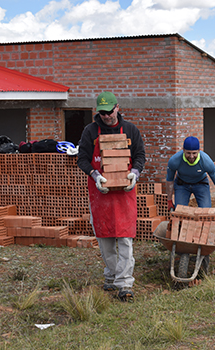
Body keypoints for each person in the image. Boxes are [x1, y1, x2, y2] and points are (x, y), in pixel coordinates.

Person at [77, 91, 145, 302]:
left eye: (109, 111)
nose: (106, 116)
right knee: (105, 237)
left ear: (118, 108)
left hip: (124, 194)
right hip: (101, 194)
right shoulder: (90, 131)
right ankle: (111, 274)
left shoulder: (131, 130)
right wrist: (95, 175)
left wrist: (135, 173)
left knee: (124, 237)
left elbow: (140, 155)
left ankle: (124, 283)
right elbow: (82, 159)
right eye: (102, 113)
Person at [166, 136, 215, 215]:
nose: (191, 157)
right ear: (183, 150)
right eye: (188, 153)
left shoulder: (206, 161)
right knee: (180, 214)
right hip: (182, 185)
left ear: (199, 151)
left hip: (201, 184)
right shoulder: (174, 160)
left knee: (206, 214)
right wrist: (169, 200)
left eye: (194, 153)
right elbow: (170, 180)